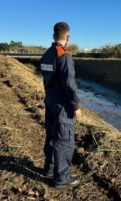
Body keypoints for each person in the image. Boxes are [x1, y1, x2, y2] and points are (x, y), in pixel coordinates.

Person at [40, 22, 81, 188]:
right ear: (68, 36)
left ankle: (49, 167)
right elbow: (69, 84)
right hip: (62, 104)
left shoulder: (47, 54)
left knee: (51, 135)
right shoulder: (64, 55)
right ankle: (61, 178)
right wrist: (76, 106)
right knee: (64, 139)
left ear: (53, 36)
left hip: (49, 99)